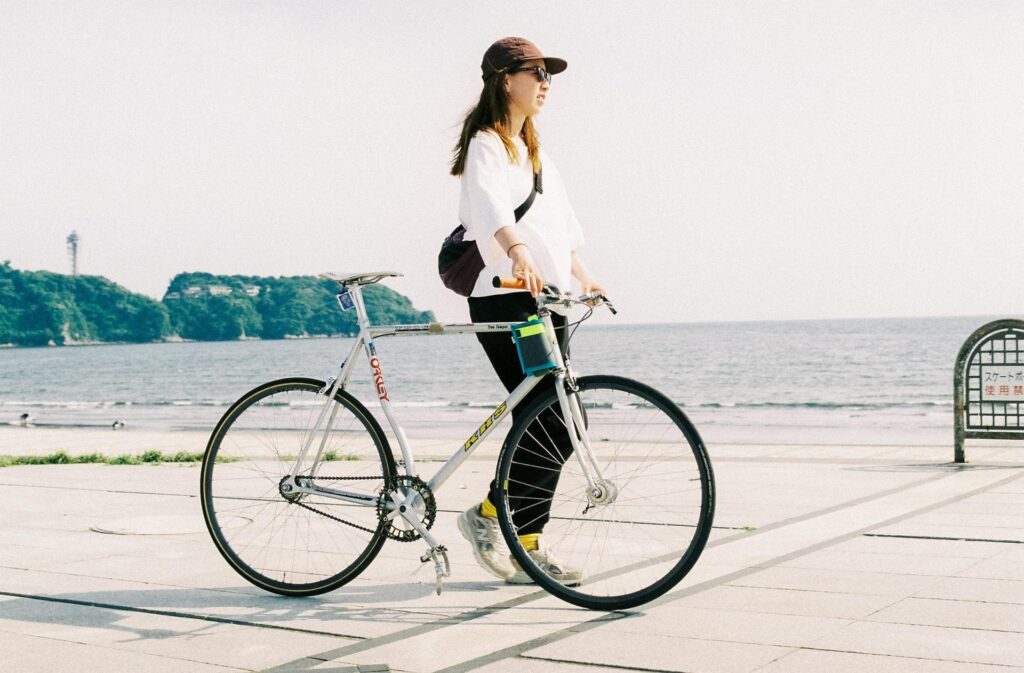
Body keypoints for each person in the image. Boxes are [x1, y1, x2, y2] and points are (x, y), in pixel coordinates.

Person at [450, 37, 604, 584]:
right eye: (535, 72)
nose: (545, 83)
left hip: (548, 297)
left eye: (548, 74)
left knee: (560, 419)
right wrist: (516, 250)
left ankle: (494, 517)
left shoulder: (535, 151)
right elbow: (489, 207)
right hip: (506, 295)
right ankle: (523, 542)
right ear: (503, 79)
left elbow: (560, 221)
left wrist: (583, 274)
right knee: (547, 419)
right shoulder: (486, 144)